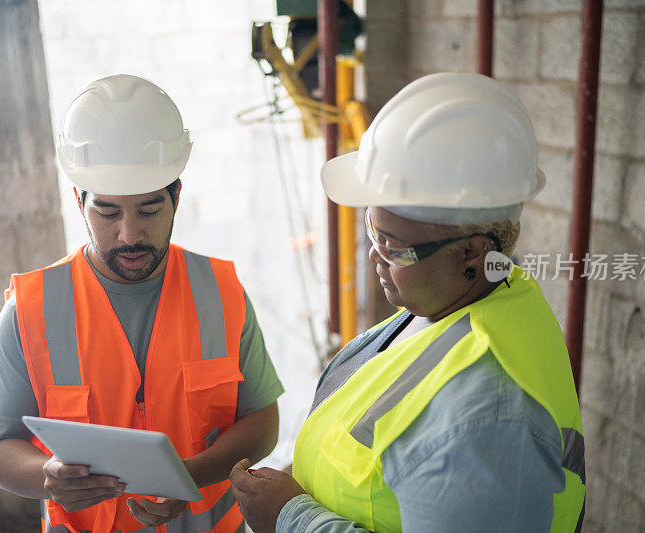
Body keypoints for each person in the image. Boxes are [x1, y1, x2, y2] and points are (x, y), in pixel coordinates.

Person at [229, 72, 585, 532]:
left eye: (395, 246)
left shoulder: (487, 419)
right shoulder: (452, 305)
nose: (374, 256)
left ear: (472, 252)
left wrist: (290, 518)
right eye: (372, 231)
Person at [0, 74, 284, 533]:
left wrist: (188, 478)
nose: (129, 234)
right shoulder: (30, 309)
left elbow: (262, 420)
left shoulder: (220, 291)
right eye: (108, 212)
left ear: (176, 197)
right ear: (80, 201)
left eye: (149, 211)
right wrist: (47, 479)